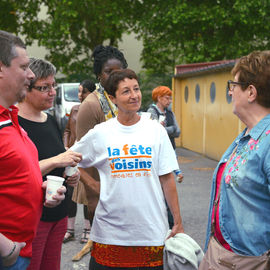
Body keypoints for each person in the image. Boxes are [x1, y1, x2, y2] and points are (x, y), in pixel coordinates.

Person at [71, 68, 184, 269]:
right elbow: (71, 158)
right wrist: (93, 184)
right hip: (110, 234)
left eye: (136, 89)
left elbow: (167, 179)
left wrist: (177, 221)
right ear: (113, 98)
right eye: (126, 91)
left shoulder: (155, 130)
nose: (134, 96)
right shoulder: (101, 133)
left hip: (150, 233)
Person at [0, 30, 66, 270]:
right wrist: (6, 248)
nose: (29, 75)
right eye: (24, 67)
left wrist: (40, 190)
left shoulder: (10, 118)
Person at [203, 51, 270, 259]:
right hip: (224, 256)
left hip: (248, 261)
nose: (230, 92)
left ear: (251, 92)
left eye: (233, 85)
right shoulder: (247, 135)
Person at [16, 58, 82, 270]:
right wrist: (57, 160)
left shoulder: (50, 119)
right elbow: (18, 173)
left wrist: (72, 174)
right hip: (33, 218)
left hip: (58, 214)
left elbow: (60, 161)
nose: (52, 92)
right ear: (26, 88)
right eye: (44, 87)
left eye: (53, 85)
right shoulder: (14, 124)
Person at [71, 45, 128, 261]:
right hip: (99, 185)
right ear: (98, 75)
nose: (115, 76)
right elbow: (78, 155)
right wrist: (94, 191)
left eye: (119, 71)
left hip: (120, 181)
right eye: (109, 72)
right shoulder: (91, 105)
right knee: (105, 250)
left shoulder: (121, 99)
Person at [63, 79, 96, 244]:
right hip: (71, 156)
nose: (80, 95)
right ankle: (69, 230)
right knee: (70, 193)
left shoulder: (94, 110)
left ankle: (87, 229)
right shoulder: (74, 109)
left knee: (85, 194)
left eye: (83, 91)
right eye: (79, 91)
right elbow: (67, 130)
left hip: (86, 159)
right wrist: (66, 147)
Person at [147, 86, 184, 183]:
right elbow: (153, 132)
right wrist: (170, 129)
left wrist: (164, 129)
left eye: (170, 98)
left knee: (168, 180)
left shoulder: (170, 113)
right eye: (167, 98)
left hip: (171, 148)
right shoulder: (152, 112)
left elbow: (178, 131)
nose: (170, 101)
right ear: (159, 98)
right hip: (157, 152)